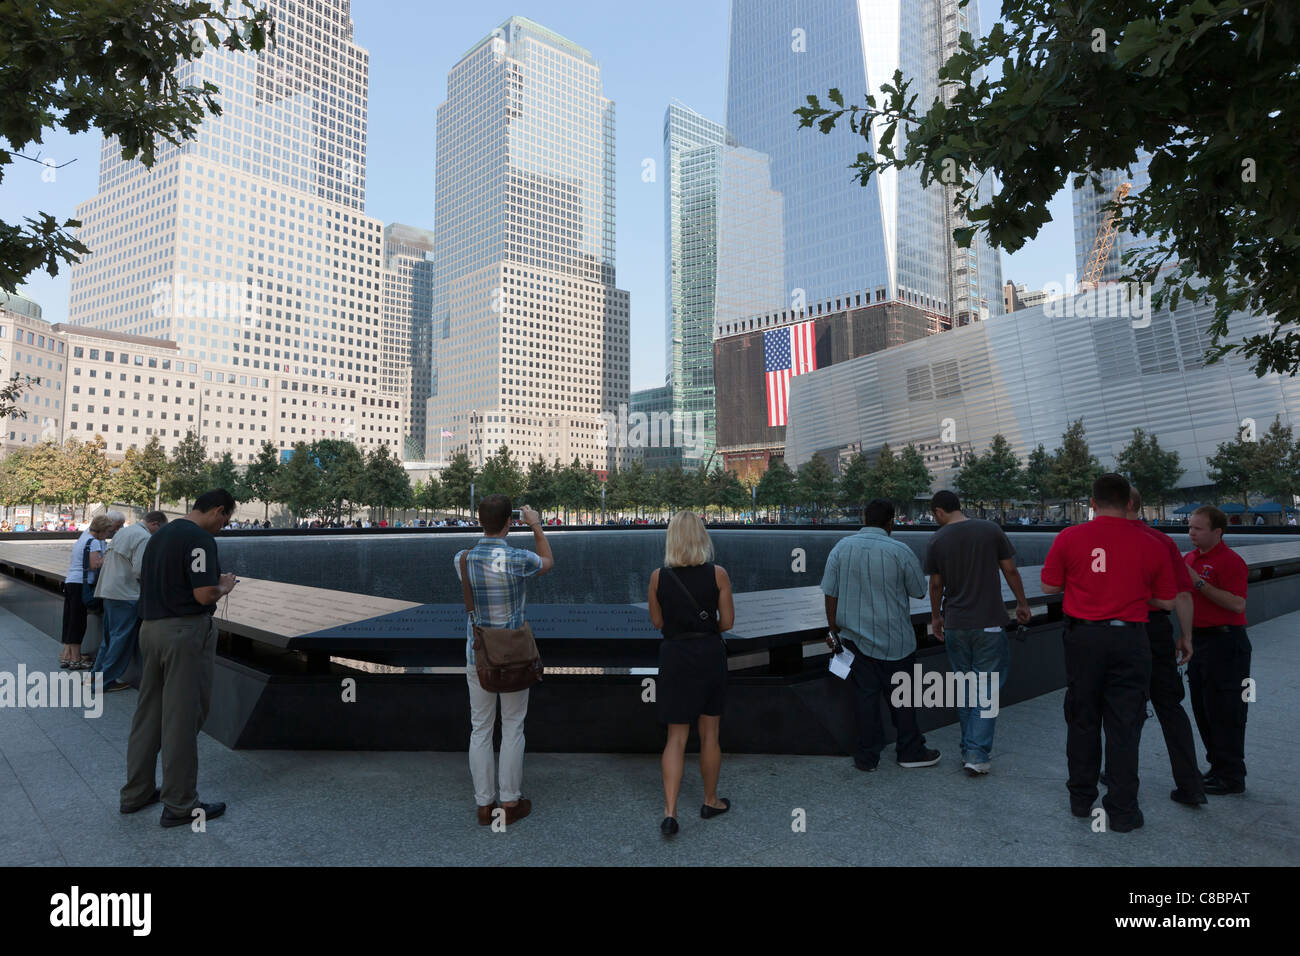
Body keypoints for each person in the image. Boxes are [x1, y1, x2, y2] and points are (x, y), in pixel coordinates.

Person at [1040, 474, 1175, 831]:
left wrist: (1088, 586)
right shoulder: (1153, 543)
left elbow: (1049, 584)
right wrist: (1128, 592)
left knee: (1082, 717)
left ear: (1093, 503)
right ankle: (1123, 810)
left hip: (1083, 639)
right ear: (1130, 503)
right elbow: (1166, 600)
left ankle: (1081, 800)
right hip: (1131, 640)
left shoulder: (1070, 537)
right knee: (1126, 723)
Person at [120, 489, 237, 826]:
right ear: (217, 510)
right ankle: (180, 804)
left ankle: (136, 793)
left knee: (149, 715)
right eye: (225, 520)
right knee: (182, 718)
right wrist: (224, 586)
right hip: (184, 633)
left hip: (150, 629)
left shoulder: (160, 535)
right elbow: (203, 594)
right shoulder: (200, 539)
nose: (223, 526)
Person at [453, 494, 553, 826]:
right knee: (512, 726)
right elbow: (547, 562)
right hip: (514, 656)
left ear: (481, 521)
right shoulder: (518, 559)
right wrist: (536, 525)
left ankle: (484, 806)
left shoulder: (462, 560)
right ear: (510, 522)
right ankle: (510, 802)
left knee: (480, 728)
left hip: (478, 655)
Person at [822, 498, 940, 772]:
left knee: (865, 699)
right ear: (891, 521)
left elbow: (831, 593)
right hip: (896, 640)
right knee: (902, 699)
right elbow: (918, 591)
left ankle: (867, 757)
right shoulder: (900, 551)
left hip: (855, 640)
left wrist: (833, 630)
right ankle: (909, 751)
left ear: (864, 518)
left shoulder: (841, 548)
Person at [924, 490, 1031, 775]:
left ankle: (968, 749)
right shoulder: (990, 530)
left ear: (939, 511)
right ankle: (976, 754)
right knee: (986, 688)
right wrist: (1021, 603)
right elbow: (1010, 571)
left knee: (966, 688)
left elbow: (935, 585)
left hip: (956, 624)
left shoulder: (937, 539)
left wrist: (936, 617)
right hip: (989, 623)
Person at [646, 511, 736, 836]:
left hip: (675, 656)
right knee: (710, 733)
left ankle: (670, 813)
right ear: (702, 538)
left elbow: (657, 623)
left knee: (676, 737)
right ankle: (710, 800)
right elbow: (727, 623)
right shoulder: (719, 575)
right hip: (709, 654)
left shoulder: (659, 577)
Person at [1123, 489, 1205, 806]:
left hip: (1122, 631)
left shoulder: (1102, 538)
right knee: (1170, 706)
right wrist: (1186, 636)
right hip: (1157, 630)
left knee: (1123, 708)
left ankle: (1118, 773)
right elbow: (1183, 594)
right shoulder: (1162, 541)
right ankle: (1190, 784)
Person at [1184, 505, 1251, 796]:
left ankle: (1232, 775)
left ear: (1217, 532)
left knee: (1227, 710)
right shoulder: (1190, 558)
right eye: (1190, 527)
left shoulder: (1231, 561)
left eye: (1198, 529)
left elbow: (1237, 604)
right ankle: (1218, 767)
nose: (1191, 533)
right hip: (1200, 642)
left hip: (1226, 643)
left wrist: (1199, 582)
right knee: (1204, 709)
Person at [90, 511, 169, 692]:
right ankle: (105, 682)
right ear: (155, 524)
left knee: (108, 639)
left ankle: (94, 677)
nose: (158, 535)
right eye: (159, 531)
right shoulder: (143, 537)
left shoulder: (125, 532)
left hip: (108, 591)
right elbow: (140, 570)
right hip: (125, 594)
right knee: (120, 640)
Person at [61, 512, 124, 669]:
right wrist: (110, 554)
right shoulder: (94, 542)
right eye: (108, 532)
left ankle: (66, 655)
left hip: (70, 581)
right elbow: (94, 565)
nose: (108, 535)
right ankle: (75, 658)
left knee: (70, 619)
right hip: (81, 585)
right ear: (102, 530)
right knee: (78, 621)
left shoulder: (83, 538)